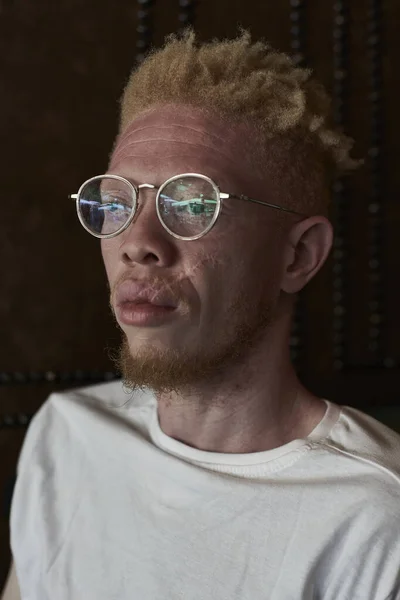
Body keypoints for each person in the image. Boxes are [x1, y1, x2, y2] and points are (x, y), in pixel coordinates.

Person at [3, 29, 400, 600]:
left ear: (298, 255)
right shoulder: (67, 435)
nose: (137, 242)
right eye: (117, 201)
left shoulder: (373, 515)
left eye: (192, 204)